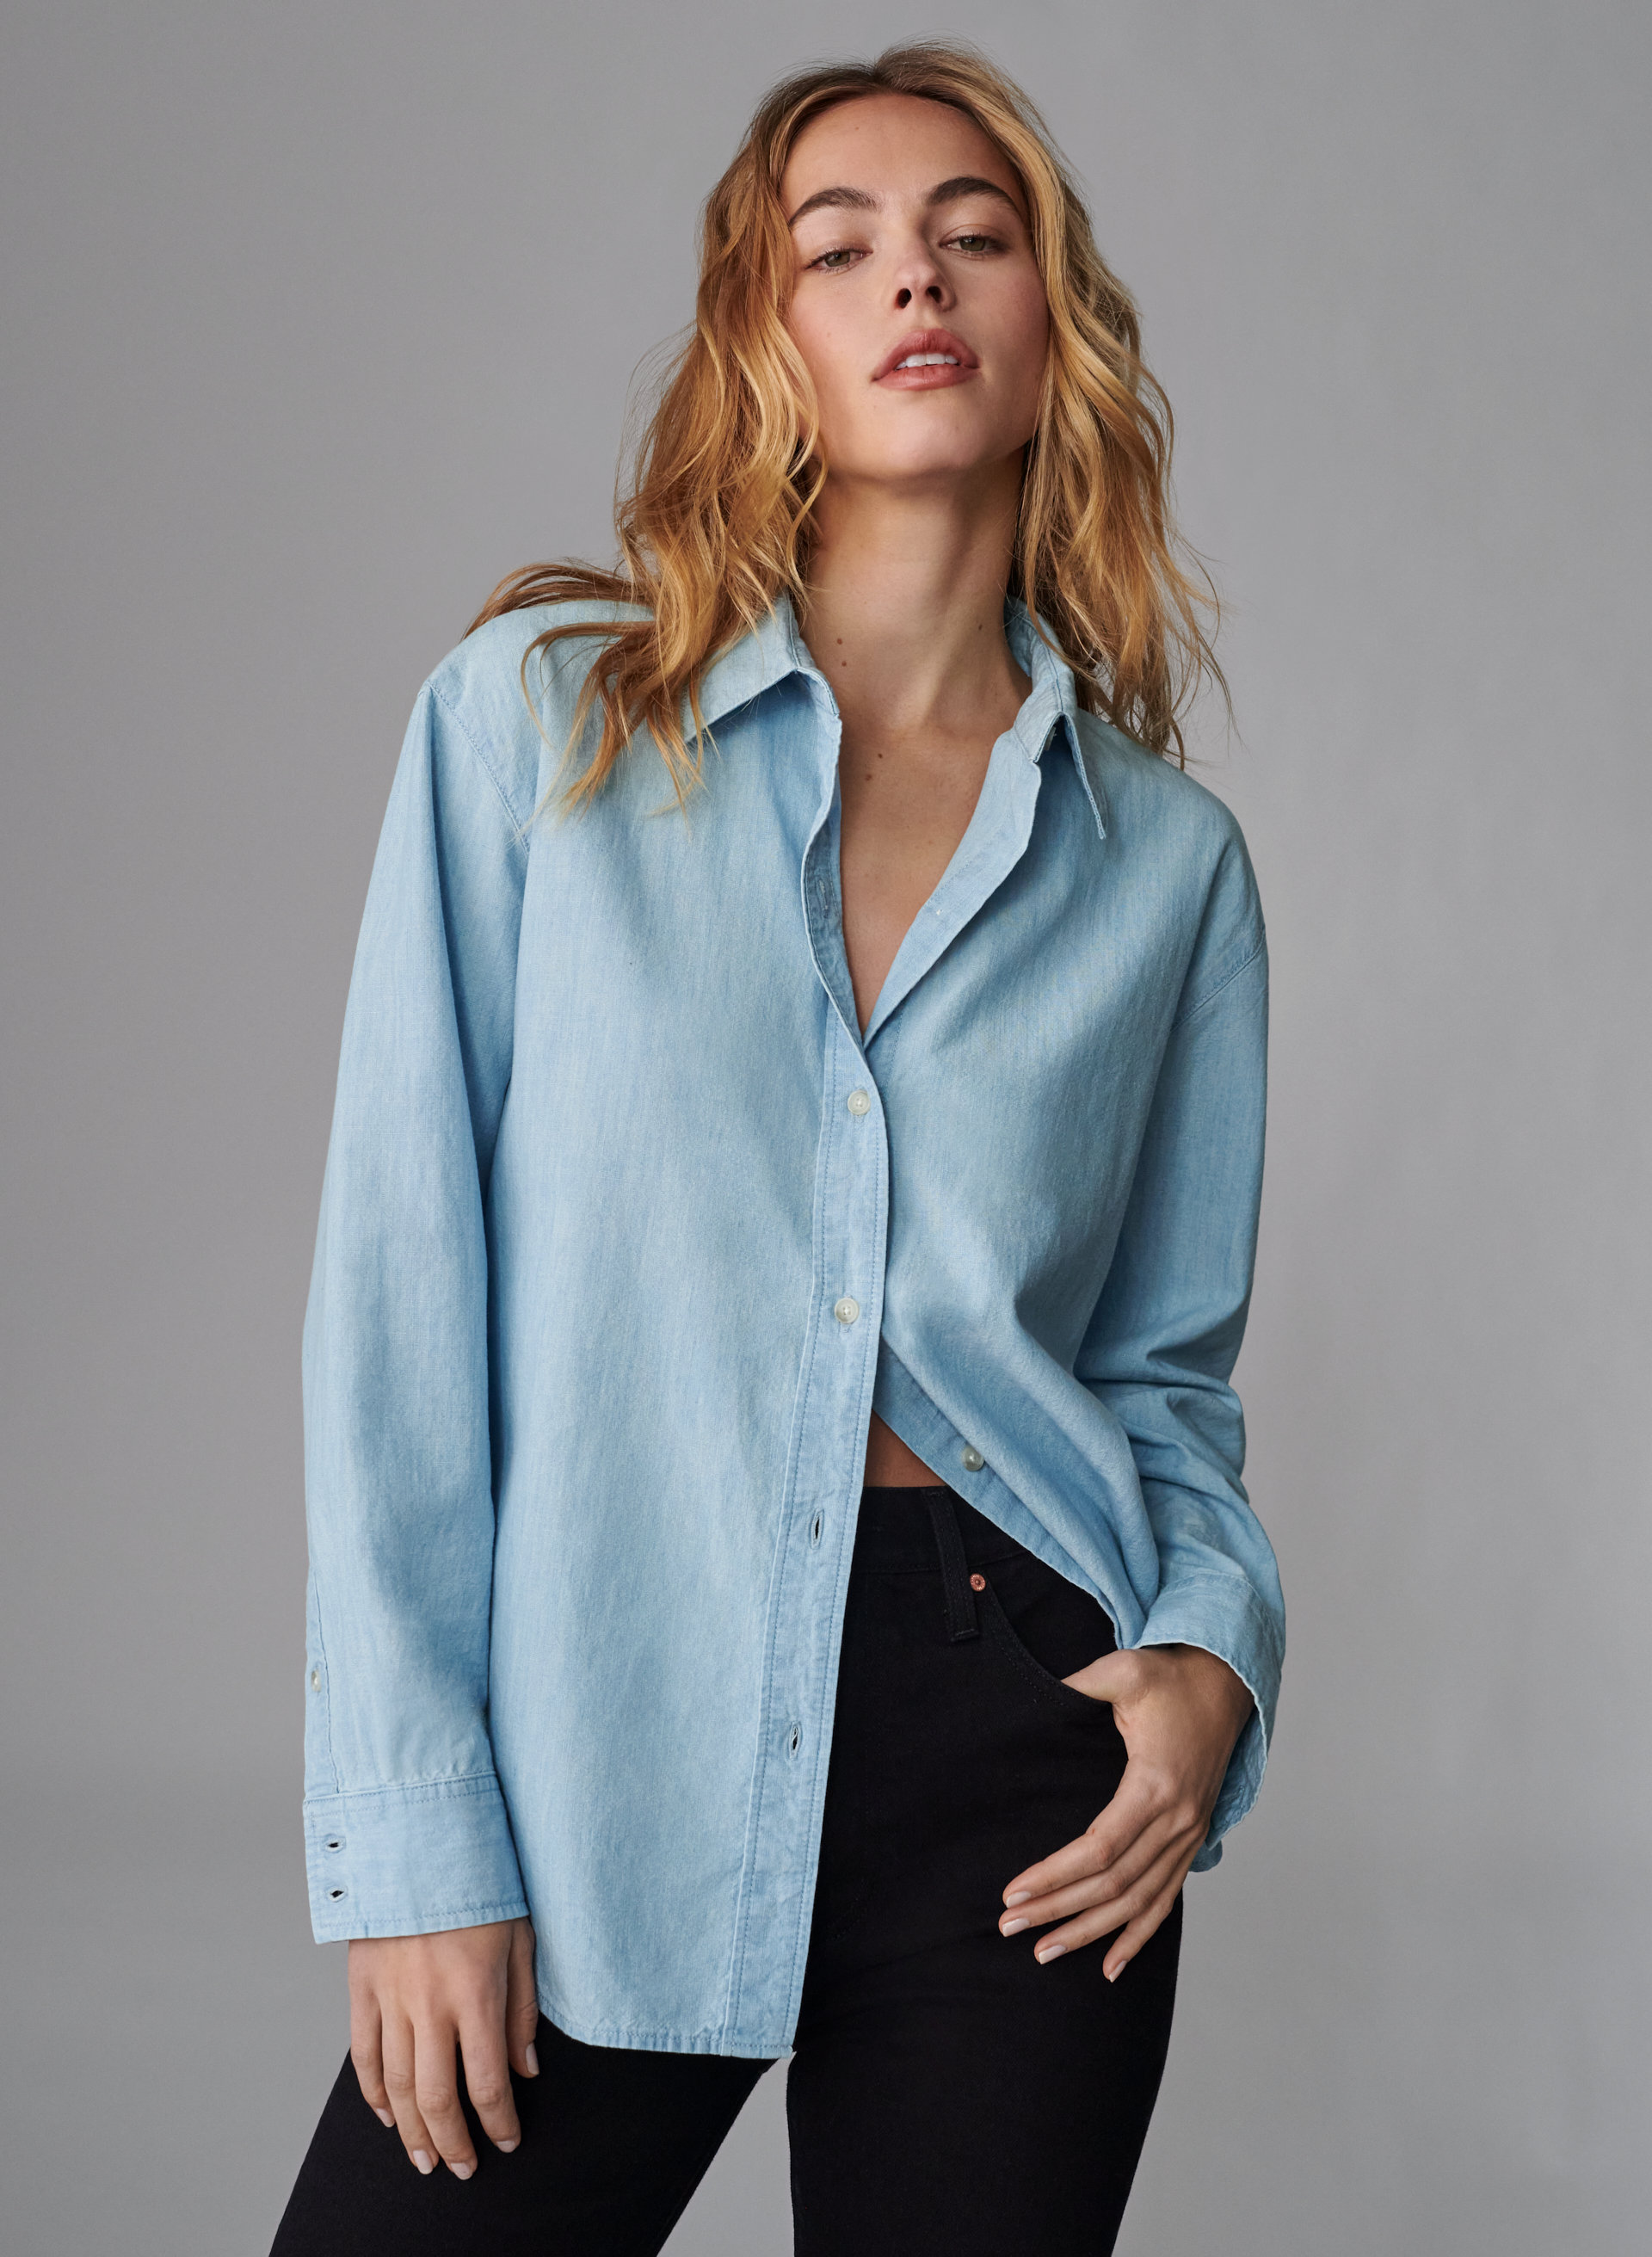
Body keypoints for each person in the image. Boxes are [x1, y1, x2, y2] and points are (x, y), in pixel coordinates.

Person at [271, 40, 1283, 2257]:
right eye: (842, 249)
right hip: (608, 1714)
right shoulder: (540, 726)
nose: (915, 276)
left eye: (974, 235)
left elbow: (1165, 1382)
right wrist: (414, 1840)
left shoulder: (1168, 869)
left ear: (1052, 326)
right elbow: (401, 1311)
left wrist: (1214, 1661)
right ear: (768, 340)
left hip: (1023, 1738)